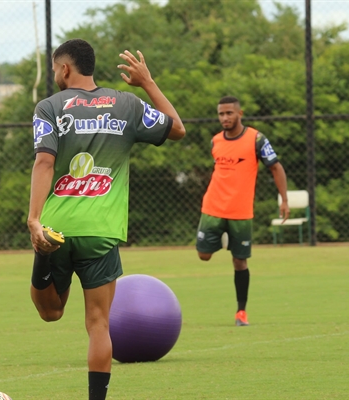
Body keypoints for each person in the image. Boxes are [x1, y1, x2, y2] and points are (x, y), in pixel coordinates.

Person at [27, 39, 185, 400]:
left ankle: (44, 256)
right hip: (101, 231)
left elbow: (44, 162)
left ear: (65, 68)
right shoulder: (125, 104)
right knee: (98, 324)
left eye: (54, 69)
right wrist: (147, 83)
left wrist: (34, 221)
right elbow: (177, 129)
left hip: (56, 227)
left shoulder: (49, 107)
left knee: (50, 313)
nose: (55, 75)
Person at [196, 95, 289, 327]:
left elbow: (276, 167)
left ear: (240, 114)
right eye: (221, 114)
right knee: (203, 256)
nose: (224, 118)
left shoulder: (256, 139)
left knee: (240, 262)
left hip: (241, 212)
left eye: (229, 113)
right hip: (213, 207)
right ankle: (222, 238)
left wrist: (284, 200)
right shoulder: (216, 141)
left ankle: (241, 312)